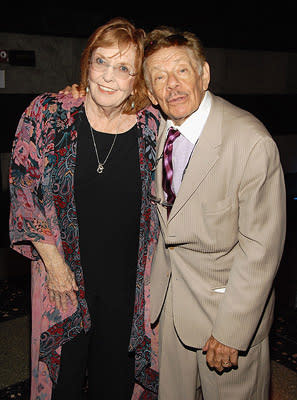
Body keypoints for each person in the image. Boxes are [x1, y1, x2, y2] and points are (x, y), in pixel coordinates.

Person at [9, 18, 160, 400]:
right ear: (86, 65)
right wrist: (55, 266)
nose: (109, 77)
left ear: (137, 79)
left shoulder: (153, 128)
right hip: (63, 283)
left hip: (128, 290)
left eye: (123, 68)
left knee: (115, 384)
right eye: (101, 62)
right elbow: (23, 190)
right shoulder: (48, 115)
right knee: (64, 383)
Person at [142, 27, 286, 400]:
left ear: (204, 74)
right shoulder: (160, 129)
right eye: (159, 77)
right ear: (151, 93)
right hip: (173, 308)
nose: (171, 85)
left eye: (182, 72)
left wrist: (232, 330)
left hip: (226, 315)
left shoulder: (251, 142)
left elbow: (261, 250)